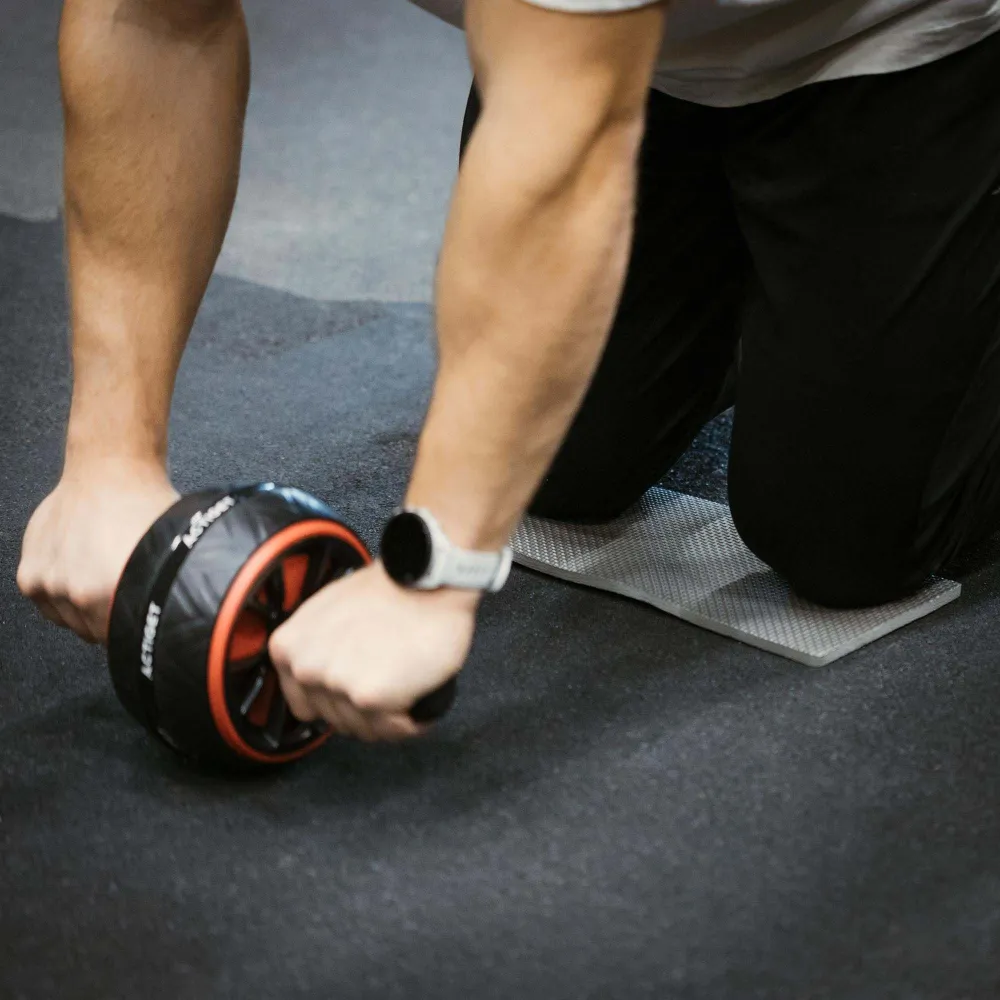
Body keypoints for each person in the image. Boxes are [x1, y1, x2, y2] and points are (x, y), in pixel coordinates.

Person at [17, 0, 1000, 743]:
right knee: (554, 468)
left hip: (891, 41)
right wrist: (109, 457)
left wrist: (431, 574)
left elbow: (560, 147)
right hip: (613, 55)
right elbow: (151, 23)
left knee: (842, 544)